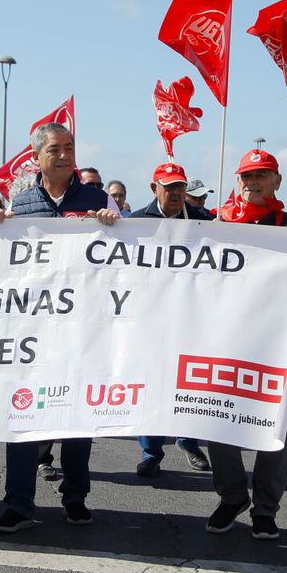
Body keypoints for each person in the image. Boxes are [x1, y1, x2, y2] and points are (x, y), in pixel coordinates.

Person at [0, 122, 119, 533]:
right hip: (33, 329)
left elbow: (125, 256)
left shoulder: (97, 199)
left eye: (70, 147)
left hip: (83, 328)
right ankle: (18, 505)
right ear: (37, 156)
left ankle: (75, 499)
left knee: (78, 417)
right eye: (55, 148)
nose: (64, 155)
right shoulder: (20, 205)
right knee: (22, 415)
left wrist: (115, 224)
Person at [204, 148, 287, 540]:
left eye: (262, 175)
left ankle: (265, 507)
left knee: (277, 434)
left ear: (277, 181)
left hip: (283, 349)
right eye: (247, 176)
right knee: (217, 424)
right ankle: (231, 497)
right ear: (237, 180)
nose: (253, 182)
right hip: (226, 345)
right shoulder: (218, 224)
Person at [129, 162, 213, 477]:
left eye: (180, 187)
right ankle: (151, 451)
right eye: (170, 187)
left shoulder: (205, 221)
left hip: (191, 318)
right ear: (155, 189)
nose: (176, 193)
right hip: (150, 318)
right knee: (152, 383)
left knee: (189, 381)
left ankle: (189, 441)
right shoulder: (135, 222)